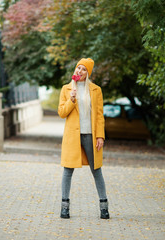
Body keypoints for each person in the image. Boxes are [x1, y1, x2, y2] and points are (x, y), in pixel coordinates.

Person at [58, 58, 109, 219]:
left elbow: (100, 116)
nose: (80, 71)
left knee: (96, 170)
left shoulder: (95, 90)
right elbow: (61, 113)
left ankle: (104, 207)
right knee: (67, 170)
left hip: (90, 135)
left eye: (83, 69)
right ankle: (64, 208)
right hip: (72, 136)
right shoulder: (66, 89)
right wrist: (71, 99)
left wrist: (100, 136)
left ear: (88, 73)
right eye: (78, 68)